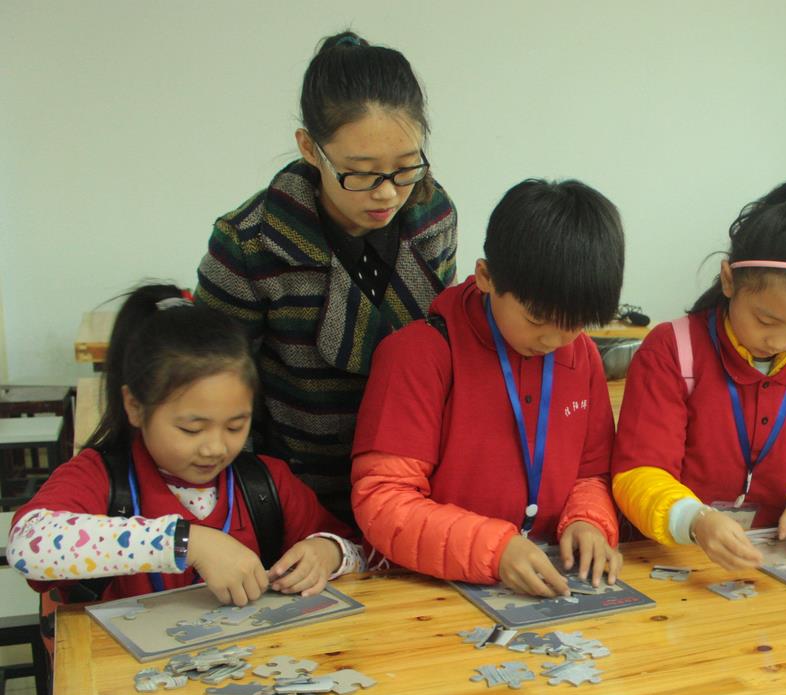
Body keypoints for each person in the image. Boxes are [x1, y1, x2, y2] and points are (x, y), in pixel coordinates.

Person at [195, 31, 458, 521]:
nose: (387, 193)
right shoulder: (250, 242)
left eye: (406, 168)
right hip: (292, 490)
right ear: (310, 149)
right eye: (361, 172)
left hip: (410, 481)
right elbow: (214, 382)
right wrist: (251, 505)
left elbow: (437, 347)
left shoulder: (432, 217)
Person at [351, 179, 625, 597]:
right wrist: (495, 550)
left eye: (574, 324)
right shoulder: (418, 354)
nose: (553, 340)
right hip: (426, 593)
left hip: (543, 583)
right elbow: (384, 501)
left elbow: (591, 475)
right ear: (485, 276)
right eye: (536, 319)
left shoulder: (581, 354)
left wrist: (589, 521)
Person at [8, 286, 363, 606]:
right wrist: (186, 543)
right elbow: (28, 546)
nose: (215, 448)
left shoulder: (266, 485)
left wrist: (329, 551)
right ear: (135, 406)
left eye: (235, 426)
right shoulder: (101, 478)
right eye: (191, 429)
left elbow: (363, 552)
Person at [612, 180, 786, 571]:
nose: (779, 341)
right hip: (674, 555)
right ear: (729, 280)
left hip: (774, 559)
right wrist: (694, 520)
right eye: (765, 320)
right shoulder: (673, 349)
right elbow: (638, 470)